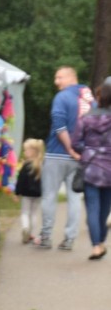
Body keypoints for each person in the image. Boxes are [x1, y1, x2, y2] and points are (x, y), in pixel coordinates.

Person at [37, 66, 95, 250]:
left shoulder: (62, 97)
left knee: (49, 196)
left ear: (71, 78)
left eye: (59, 77)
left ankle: (46, 236)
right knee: (75, 199)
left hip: (57, 154)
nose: (56, 82)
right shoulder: (90, 99)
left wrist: (70, 149)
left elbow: (59, 126)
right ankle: (69, 239)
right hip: (81, 158)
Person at [72, 77, 111, 260]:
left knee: (92, 209)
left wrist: (88, 150)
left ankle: (96, 245)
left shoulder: (86, 118)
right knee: (105, 209)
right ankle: (101, 241)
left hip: (91, 168)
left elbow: (75, 142)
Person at [14, 138, 45, 244]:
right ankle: (31, 233)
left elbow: (20, 180)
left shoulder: (26, 165)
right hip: (38, 194)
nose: (24, 152)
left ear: (32, 151)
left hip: (26, 194)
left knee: (25, 213)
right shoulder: (41, 165)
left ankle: (25, 228)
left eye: (25, 150)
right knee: (34, 214)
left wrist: (17, 193)